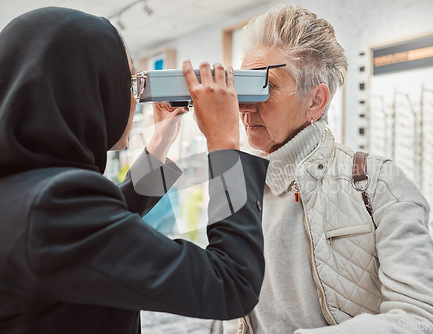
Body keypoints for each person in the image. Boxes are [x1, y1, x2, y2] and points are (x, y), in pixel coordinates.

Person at [0, 7, 269, 334]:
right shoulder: (52, 208)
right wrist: (224, 144)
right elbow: (231, 283)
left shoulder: (22, 189)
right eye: (129, 83)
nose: (137, 97)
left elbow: (101, 227)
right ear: (86, 91)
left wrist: (159, 143)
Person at [222, 4, 433, 334]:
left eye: (265, 86)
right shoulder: (237, 185)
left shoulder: (380, 184)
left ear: (315, 101)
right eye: (243, 85)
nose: (244, 105)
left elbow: (428, 319)